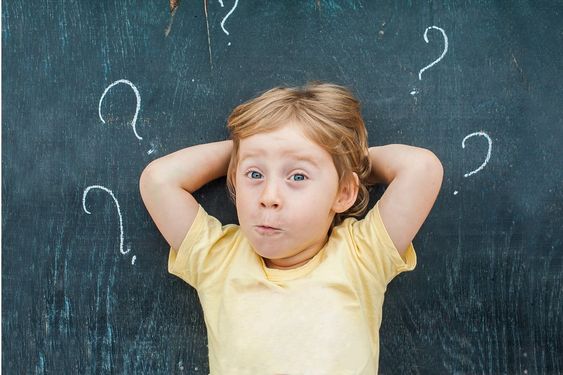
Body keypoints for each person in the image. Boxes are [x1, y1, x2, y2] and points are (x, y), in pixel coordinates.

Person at [139, 82, 443, 374]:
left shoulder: (361, 256)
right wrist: (243, 148)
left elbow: (421, 169)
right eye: (254, 174)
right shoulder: (217, 260)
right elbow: (159, 180)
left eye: (297, 176)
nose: (269, 197)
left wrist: (342, 159)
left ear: (343, 193)